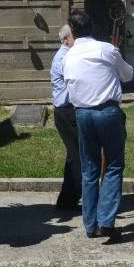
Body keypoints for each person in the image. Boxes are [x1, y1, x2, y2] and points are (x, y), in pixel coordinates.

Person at [63, 9, 133, 241]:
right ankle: (106, 222)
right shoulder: (106, 49)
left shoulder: (68, 56)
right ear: (91, 27)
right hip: (107, 110)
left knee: (89, 169)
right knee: (113, 165)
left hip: (82, 113)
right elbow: (128, 75)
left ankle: (90, 224)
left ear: (72, 31)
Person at [49, 24, 80, 211]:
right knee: (78, 157)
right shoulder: (65, 58)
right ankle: (70, 199)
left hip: (66, 111)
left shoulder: (68, 55)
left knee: (74, 156)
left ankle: (67, 199)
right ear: (66, 39)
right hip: (67, 112)